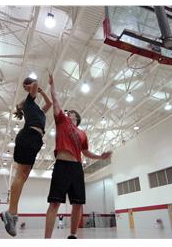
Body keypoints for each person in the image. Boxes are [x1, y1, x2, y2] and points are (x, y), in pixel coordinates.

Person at [44, 74, 112, 239]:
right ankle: (46, 239)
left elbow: (85, 152)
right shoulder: (61, 121)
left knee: (78, 203)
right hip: (61, 165)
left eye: (71, 113)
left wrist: (101, 157)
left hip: (76, 168)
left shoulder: (82, 133)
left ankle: (73, 235)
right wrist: (52, 85)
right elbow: (55, 99)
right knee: (55, 202)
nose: (68, 113)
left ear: (76, 118)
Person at [0, 77, 52, 237]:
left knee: (24, 175)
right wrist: (31, 86)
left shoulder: (37, 110)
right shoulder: (29, 103)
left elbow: (49, 104)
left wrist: (41, 90)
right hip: (28, 135)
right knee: (21, 174)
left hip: (35, 140)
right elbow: (35, 84)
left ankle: (10, 213)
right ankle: (11, 213)